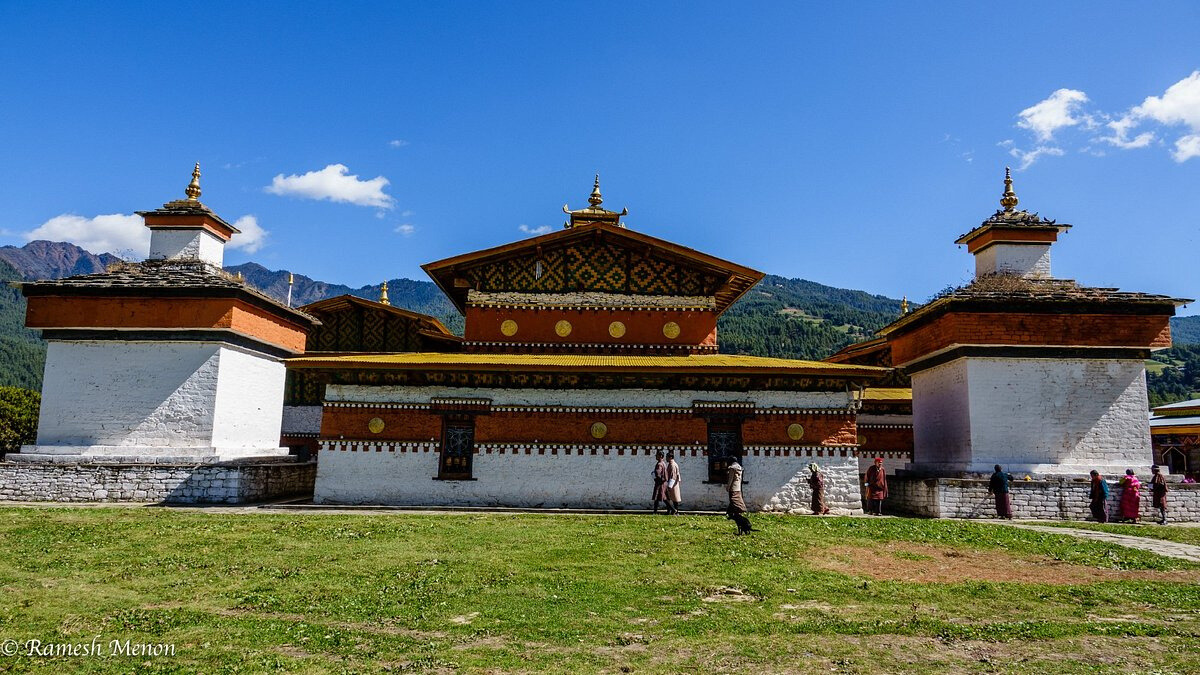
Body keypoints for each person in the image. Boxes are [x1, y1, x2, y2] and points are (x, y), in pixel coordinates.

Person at [726, 456, 753, 534]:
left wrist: (728, 487)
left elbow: (731, 479)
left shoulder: (732, 468)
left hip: (733, 488)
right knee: (737, 500)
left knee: (734, 501)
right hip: (738, 488)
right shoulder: (739, 468)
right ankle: (737, 512)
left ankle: (737, 513)